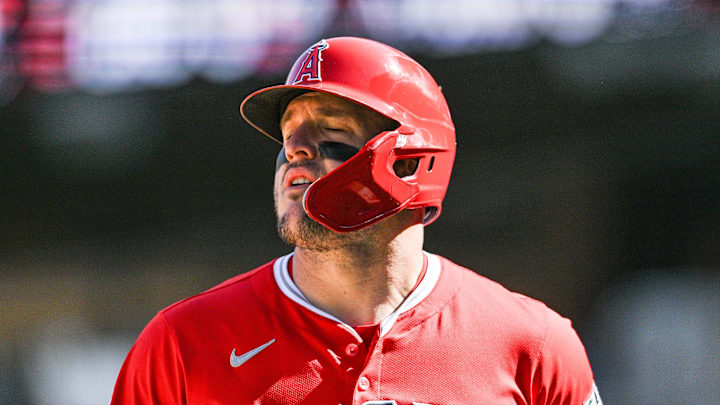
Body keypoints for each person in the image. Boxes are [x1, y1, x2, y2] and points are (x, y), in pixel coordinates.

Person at [111, 37, 602, 405]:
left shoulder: (533, 346)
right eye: (288, 134)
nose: (295, 149)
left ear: (412, 159)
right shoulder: (182, 343)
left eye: (331, 128)